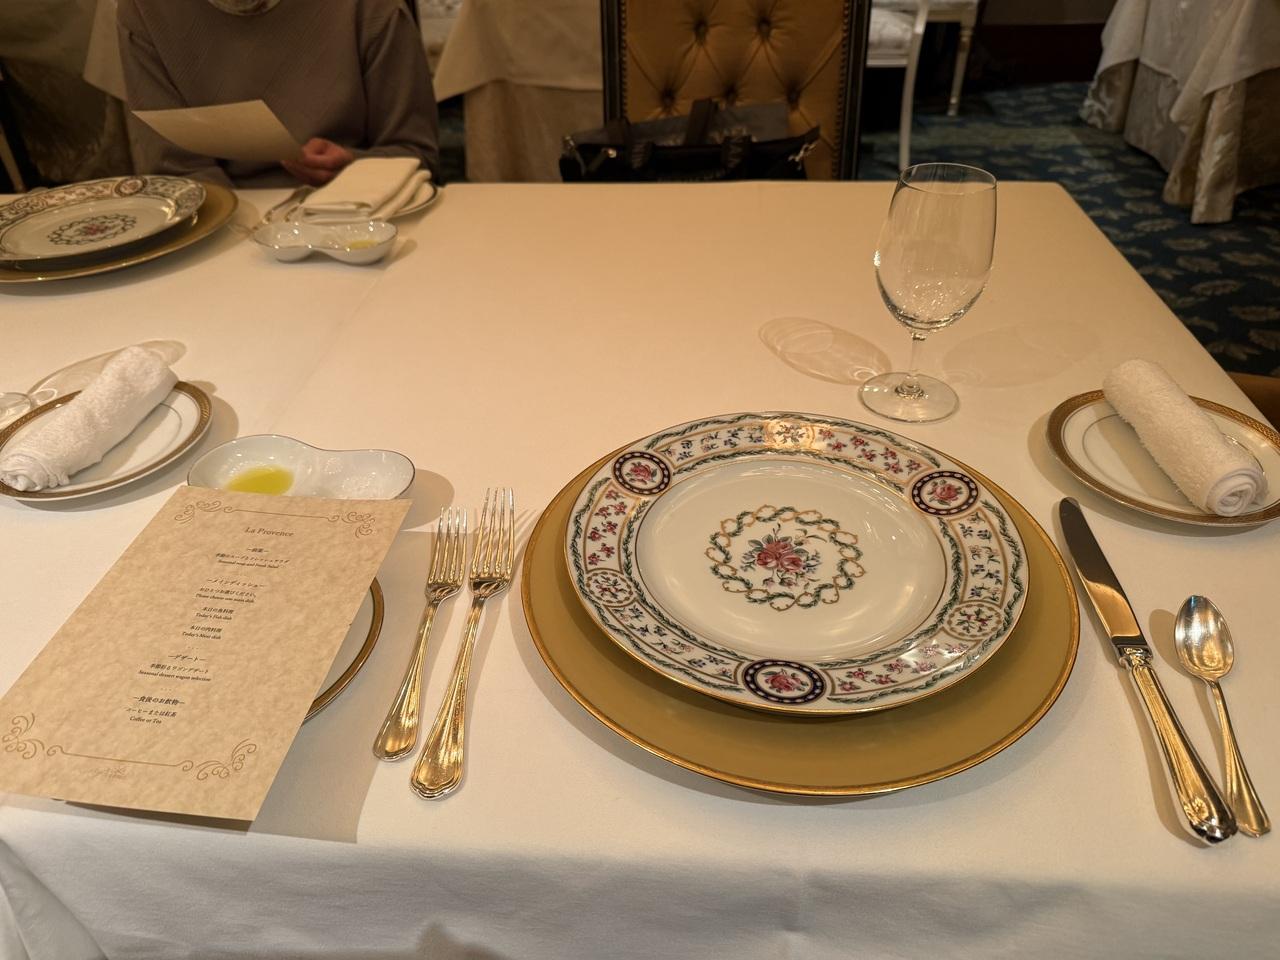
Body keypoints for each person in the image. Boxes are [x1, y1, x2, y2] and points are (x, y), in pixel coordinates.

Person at [117, 0, 439, 187]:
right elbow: (176, 173)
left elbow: (416, 154)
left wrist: (354, 166)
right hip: (215, 231)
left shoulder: (369, 7)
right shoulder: (145, 10)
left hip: (357, 217)